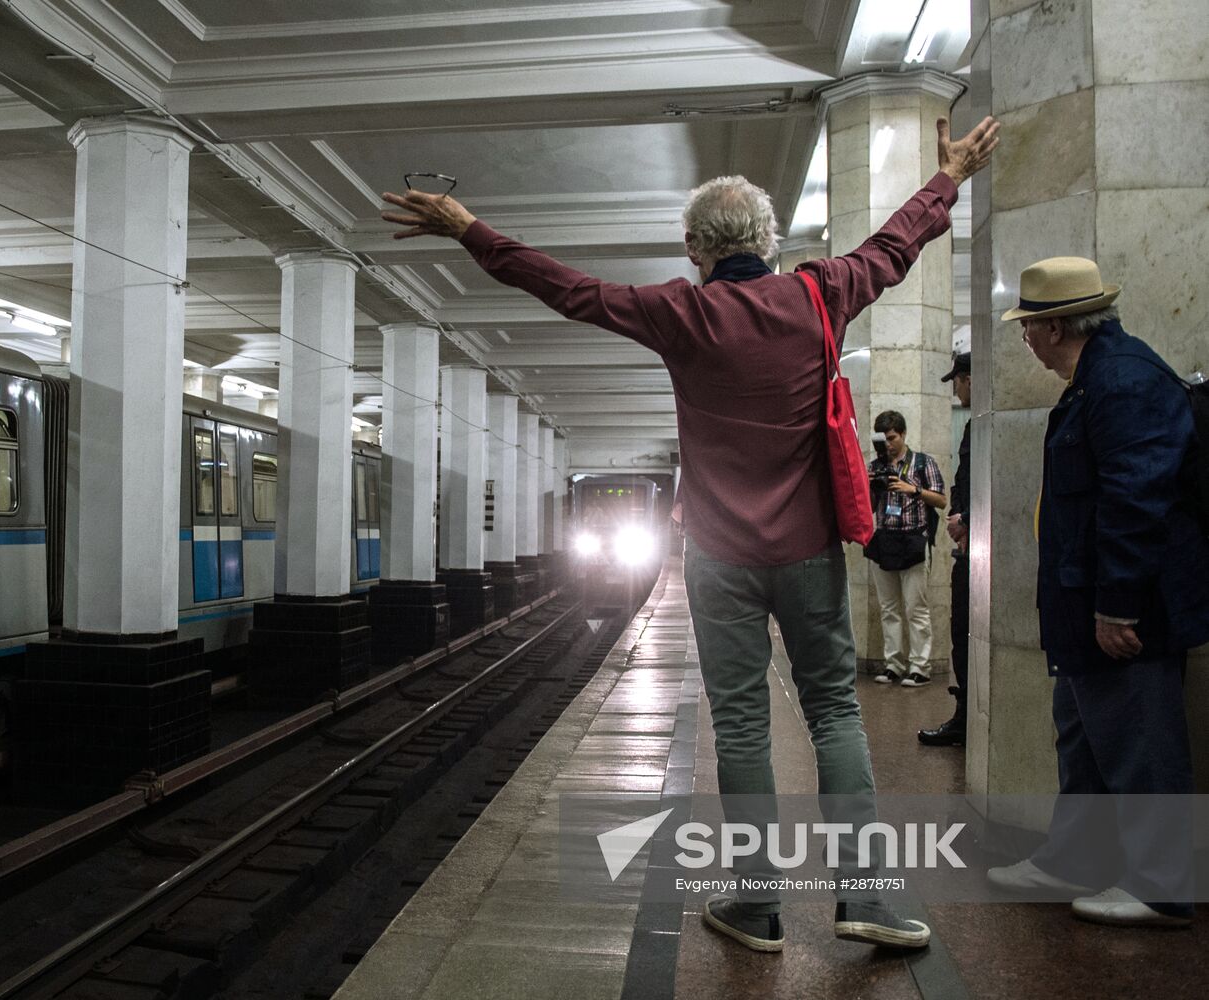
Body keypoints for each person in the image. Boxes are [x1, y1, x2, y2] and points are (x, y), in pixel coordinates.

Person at [384, 115, 1001, 952]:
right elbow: (896, 245)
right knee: (834, 714)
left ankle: (758, 908)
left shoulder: (679, 312)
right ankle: (863, 899)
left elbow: (566, 289)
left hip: (718, 558)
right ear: (770, 240)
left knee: (742, 724)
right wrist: (949, 178)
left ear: (693, 248)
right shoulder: (822, 290)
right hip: (809, 552)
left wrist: (470, 230)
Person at [985, 257, 1209, 927]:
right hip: (1085, 607)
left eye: (1028, 326)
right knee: (1082, 740)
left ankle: (1164, 887)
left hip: (1127, 610)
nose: (1025, 338)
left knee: (1143, 741)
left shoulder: (1124, 382)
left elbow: (1136, 502)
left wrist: (1117, 605)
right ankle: (1073, 859)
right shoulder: (1096, 380)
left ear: (1055, 327)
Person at [865, 411, 946, 686]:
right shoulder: (876, 466)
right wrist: (869, 485)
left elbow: (942, 501)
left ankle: (920, 667)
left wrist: (913, 490)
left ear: (903, 434)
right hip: (885, 539)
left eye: (892, 438)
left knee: (916, 608)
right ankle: (893, 664)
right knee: (889, 608)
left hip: (913, 540)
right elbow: (865, 504)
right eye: (883, 440)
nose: (888, 445)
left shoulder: (923, 463)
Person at [920, 353, 971, 745]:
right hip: (967, 551)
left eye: (957, 381)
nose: (955, 389)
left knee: (965, 635)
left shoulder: (982, 426)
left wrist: (965, 519)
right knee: (961, 637)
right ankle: (965, 715)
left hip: (975, 553)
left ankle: (968, 719)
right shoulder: (973, 426)